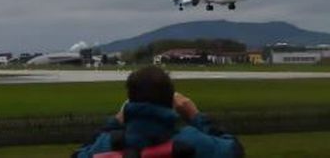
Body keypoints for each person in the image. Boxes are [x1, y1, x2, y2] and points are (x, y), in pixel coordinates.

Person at [72, 66, 244, 158]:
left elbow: (79, 154)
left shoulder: (105, 145)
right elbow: (234, 150)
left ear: (129, 103)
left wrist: (114, 122)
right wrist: (195, 116)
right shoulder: (194, 142)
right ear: (172, 101)